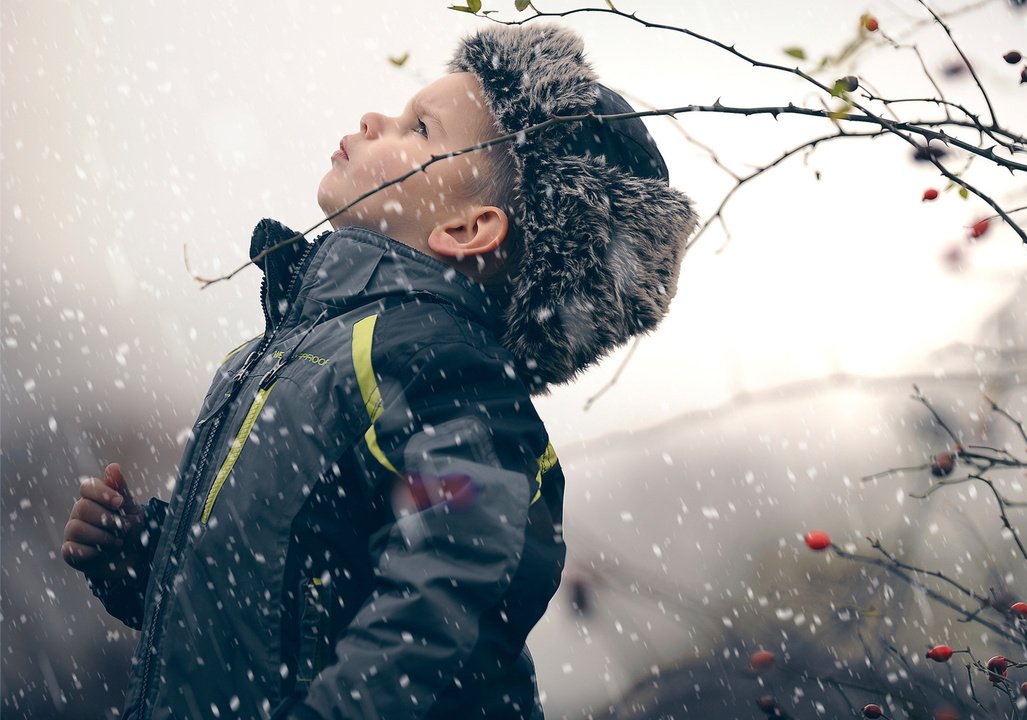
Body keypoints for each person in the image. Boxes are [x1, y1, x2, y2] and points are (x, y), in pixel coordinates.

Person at [61, 22, 697, 720]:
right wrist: (142, 558)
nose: (372, 120)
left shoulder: (444, 374)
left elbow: (447, 605)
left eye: (418, 128)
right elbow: (272, 610)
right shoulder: (279, 353)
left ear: (466, 230)